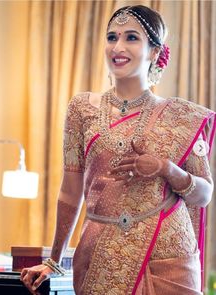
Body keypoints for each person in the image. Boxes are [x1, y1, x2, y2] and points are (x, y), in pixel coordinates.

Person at [20, 5, 216, 295]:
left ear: (154, 52)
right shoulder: (82, 108)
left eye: (132, 38)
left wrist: (166, 169)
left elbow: (204, 194)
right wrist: (54, 260)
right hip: (101, 253)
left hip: (165, 255)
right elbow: (70, 191)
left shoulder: (180, 116)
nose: (118, 47)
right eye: (112, 37)